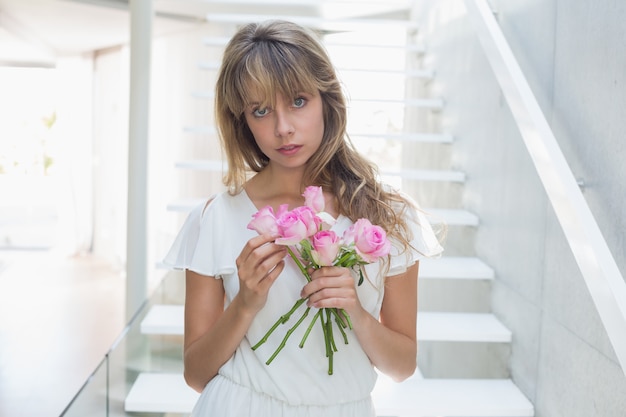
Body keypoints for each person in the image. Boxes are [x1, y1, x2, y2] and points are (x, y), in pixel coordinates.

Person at [163, 19, 443, 417]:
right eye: (261, 111)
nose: (283, 128)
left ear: (327, 100)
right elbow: (196, 374)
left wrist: (356, 313)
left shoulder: (387, 216)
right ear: (243, 121)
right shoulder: (215, 218)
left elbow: (402, 365)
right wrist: (244, 304)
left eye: (298, 101)